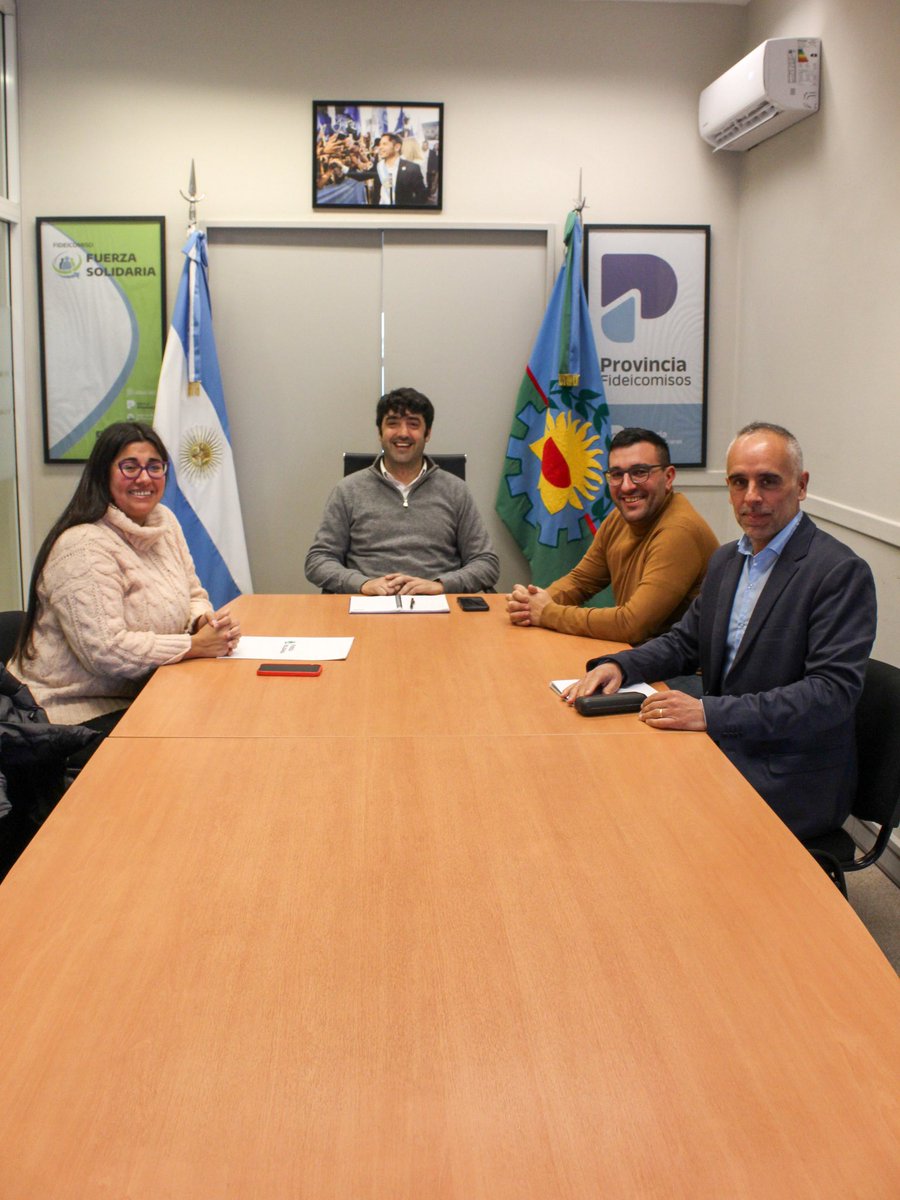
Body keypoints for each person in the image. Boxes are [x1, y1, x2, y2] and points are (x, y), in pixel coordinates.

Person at [564, 422, 877, 840]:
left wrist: (709, 713)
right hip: (727, 744)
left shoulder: (838, 572)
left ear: (801, 486)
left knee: (641, 814)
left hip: (789, 772)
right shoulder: (729, 560)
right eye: (738, 482)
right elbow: (685, 641)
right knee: (607, 779)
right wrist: (621, 666)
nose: (751, 497)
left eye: (768, 481)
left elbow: (830, 695)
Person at [9, 421, 241, 743]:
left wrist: (202, 619)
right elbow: (105, 651)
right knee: (195, 743)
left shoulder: (165, 523)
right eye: (129, 467)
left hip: (146, 689)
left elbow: (193, 593)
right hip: (73, 712)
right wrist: (193, 645)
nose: (144, 478)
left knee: (227, 715)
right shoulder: (84, 545)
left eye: (154, 467)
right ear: (104, 473)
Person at [507, 428, 719, 642]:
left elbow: (631, 625)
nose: (626, 486)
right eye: (617, 475)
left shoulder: (679, 531)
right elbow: (581, 581)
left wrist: (547, 612)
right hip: (641, 654)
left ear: (669, 477)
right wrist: (531, 603)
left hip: (682, 671)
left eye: (640, 472)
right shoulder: (619, 519)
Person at [305, 388, 499, 595]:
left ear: (428, 433)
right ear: (380, 433)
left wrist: (441, 585)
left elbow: (486, 563)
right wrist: (362, 584)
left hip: (440, 606)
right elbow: (318, 560)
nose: (403, 433)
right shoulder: (348, 490)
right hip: (367, 604)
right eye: (393, 423)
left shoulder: (456, 490)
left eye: (413, 424)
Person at [345, 132, 427, 206]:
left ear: (397, 147)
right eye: (380, 144)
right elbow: (361, 176)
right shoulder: (379, 167)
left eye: (384, 144)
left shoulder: (412, 168)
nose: (380, 147)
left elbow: (422, 196)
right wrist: (343, 168)